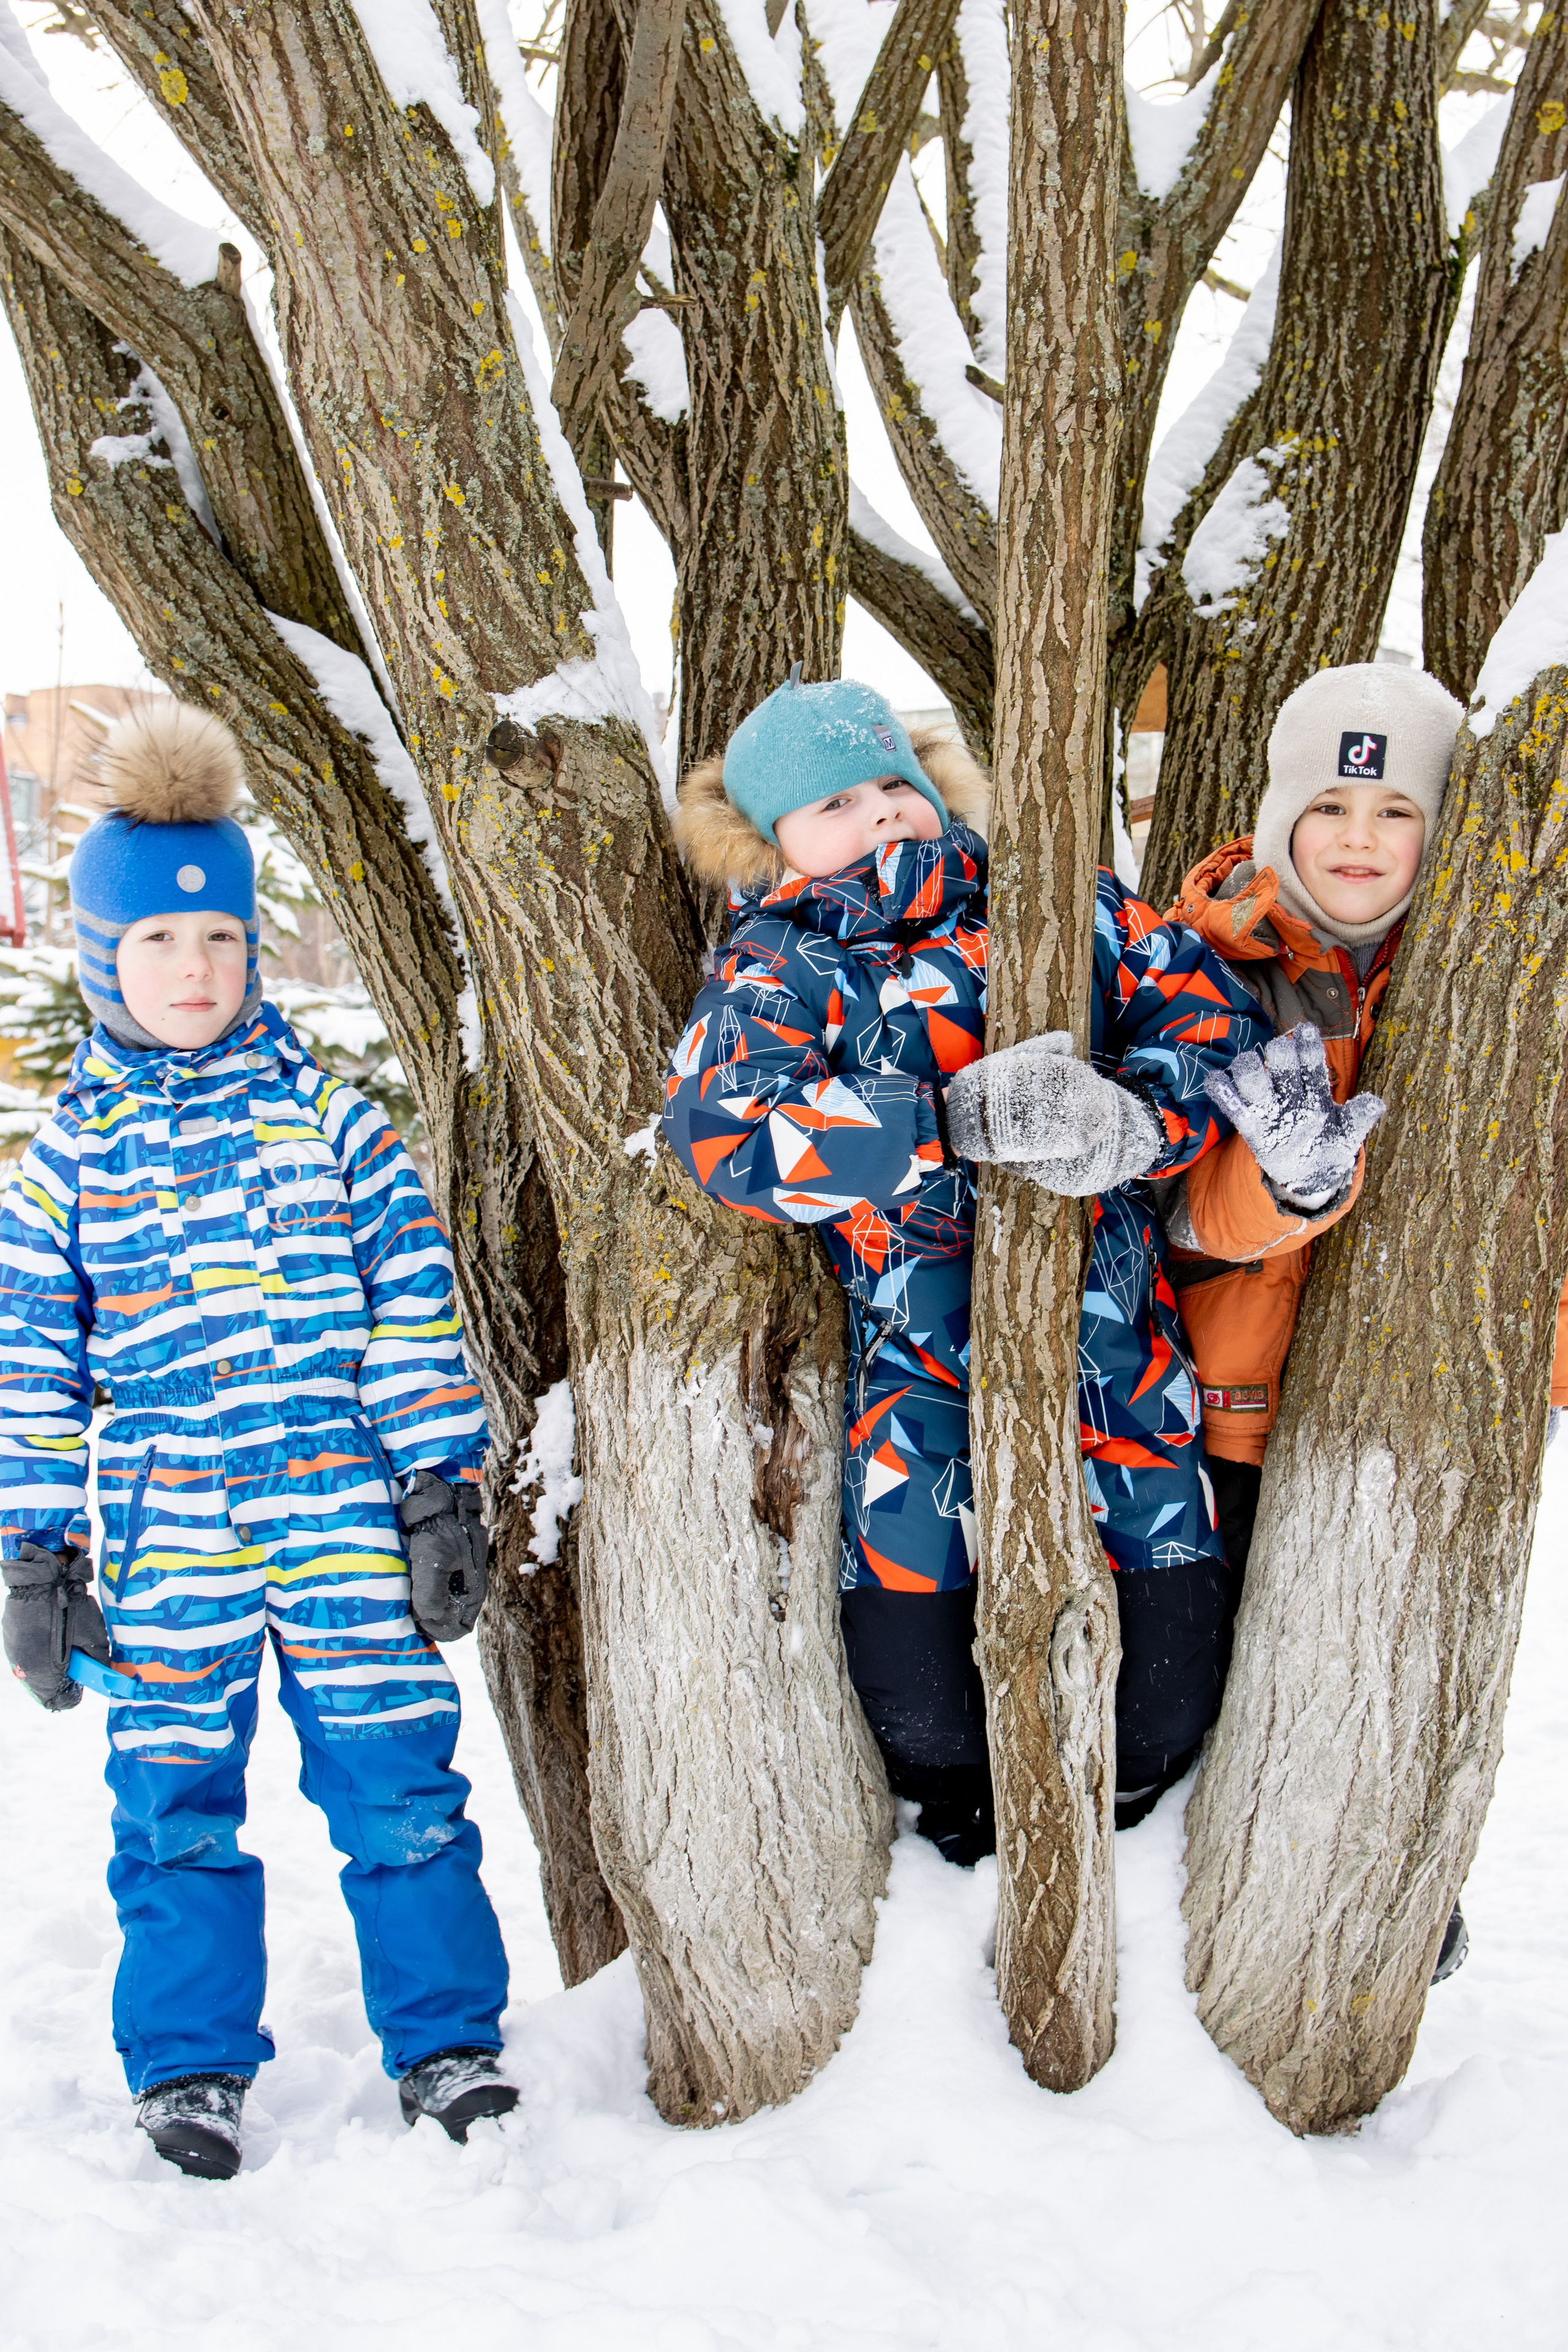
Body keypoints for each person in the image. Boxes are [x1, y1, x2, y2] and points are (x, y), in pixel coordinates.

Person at [0, 703, 515, 2177]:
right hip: (166, 1522)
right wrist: (38, 1556)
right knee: (170, 1804)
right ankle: (188, 2066)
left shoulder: (336, 1128)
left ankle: (448, 2038)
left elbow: (414, 1310)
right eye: (159, 946)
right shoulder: (67, 1166)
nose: (196, 969)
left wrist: (437, 1490)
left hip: (344, 1501)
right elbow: (32, 1365)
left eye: (221, 939)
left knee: (400, 1787)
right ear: (104, 958)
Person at [662, 673, 1272, 1858]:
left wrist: (1138, 1123)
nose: (882, 813)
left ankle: (1140, 1782)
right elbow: (725, 1137)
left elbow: (1213, 1030)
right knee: (919, 1636)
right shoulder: (783, 965)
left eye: (898, 783)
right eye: (837, 801)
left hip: (1115, 1335)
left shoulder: (1063, 905)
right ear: (771, 841)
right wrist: (939, 1115)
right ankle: (952, 1801)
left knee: (1163, 1619)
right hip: (915, 1344)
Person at [1158, 659, 1558, 1984]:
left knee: (1371, 1677)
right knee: (1197, 1688)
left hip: (1402, 1413)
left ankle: (1370, 1885)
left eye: (1396, 816)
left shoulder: (1489, 984)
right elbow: (1169, 1209)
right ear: (1280, 814)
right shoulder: (1214, 957)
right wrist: (1278, 1184)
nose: (1358, 841)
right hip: (1217, 1406)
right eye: (1329, 805)